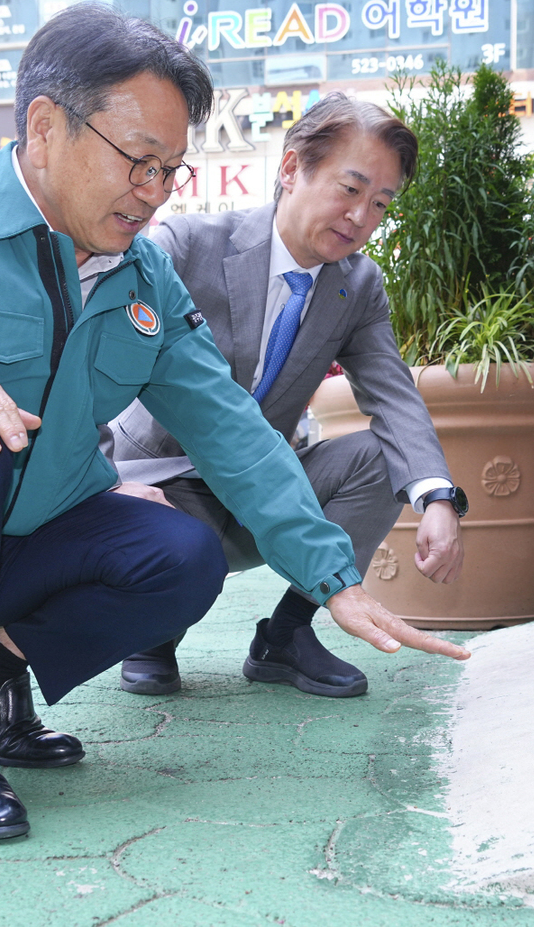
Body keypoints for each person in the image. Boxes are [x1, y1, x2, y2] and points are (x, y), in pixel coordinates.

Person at [0, 4, 468, 843]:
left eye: (171, 171)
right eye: (138, 161)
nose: (152, 193)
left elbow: (232, 430)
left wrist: (334, 577)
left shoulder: (146, 279)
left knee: (180, 553)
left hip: (17, 550)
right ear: (44, 126)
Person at [103, 94, 466, 699]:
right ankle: (153, 633)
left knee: (383, 459)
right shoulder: (185, 245)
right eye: (349, 189)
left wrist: (436, 497)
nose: (361, 216)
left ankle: (286, 635)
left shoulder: (359, 283)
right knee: (171, 547)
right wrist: (102, 481)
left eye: (380, 203)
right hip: (158, 482)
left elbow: (393, 396)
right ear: (292, 168)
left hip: (262, 488)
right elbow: (91, 363)